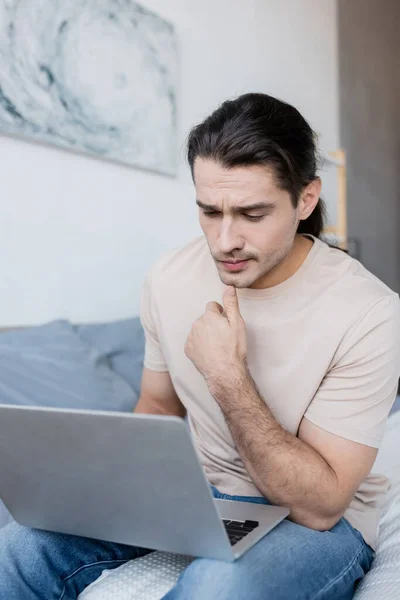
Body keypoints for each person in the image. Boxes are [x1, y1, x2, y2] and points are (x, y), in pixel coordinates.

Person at [1, 93, 399, 600]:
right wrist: (100, 491)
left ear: (306, 199)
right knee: (17, 548)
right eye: (209, 211)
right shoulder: (168, 278)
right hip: (198, 499)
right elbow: (157, 408)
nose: (224, 239)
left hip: (317, 523)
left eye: (252, 214)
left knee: (216, 586)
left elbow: (320, 504)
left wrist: (228, 377)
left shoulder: (370, 312)